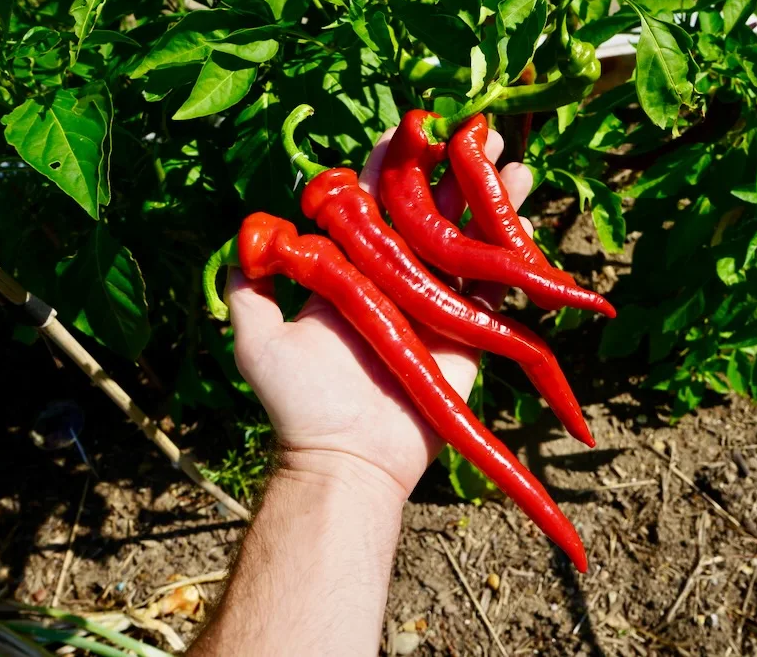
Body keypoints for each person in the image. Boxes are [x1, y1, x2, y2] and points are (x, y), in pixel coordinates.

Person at [187, 125, 533, 656]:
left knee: (523, 334)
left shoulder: (325, 232)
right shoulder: (313, 245)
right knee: (511, 325)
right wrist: (339, 460)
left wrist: (335, 466)